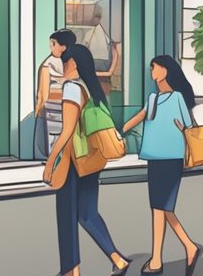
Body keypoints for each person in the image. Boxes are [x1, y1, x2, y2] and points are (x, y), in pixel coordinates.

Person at [43, 44, 131, 276]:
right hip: (91, 158)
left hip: (73, 159)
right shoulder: (90, 87)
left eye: (64, 62)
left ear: (72, 63)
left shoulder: (72, 88)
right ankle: (118, 260)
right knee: (87, 213)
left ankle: (71, 271)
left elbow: (67, 131)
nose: (62, 66)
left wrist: (50, 162)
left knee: (66, 215)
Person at [121, 55, 203, 276]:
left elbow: (188, 125)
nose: (152, 73)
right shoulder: (153, 99)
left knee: (162, 207)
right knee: (159, 207)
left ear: (165, 71)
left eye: (154, 68)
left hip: (171, 158)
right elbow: (139, 117)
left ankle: (160, 258)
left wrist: (179, 126)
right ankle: (185, 248)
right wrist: (119, 131)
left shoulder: (177, 97)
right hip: (154, 158)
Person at [35, 30, 77, 158]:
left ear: (63, 47)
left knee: (54, 134)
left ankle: (56, 159)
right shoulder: (73, 63)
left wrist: (39, 107)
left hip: (53, 106)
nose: (50, 46)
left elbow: (43, 91)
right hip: (67, 105)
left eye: (53, 43)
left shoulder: (48, 64)